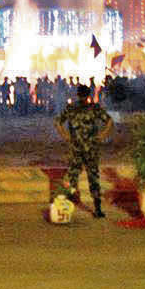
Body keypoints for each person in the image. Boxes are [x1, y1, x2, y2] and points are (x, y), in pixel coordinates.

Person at [58, 81, 112, 217]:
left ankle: (64, 208)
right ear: (89, 95)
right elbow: (109, 121)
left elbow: (57, 122)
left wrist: (66, 136)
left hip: (76, 148)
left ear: (77, 95)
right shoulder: (94, 108)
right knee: (93, 178)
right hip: (91, 149)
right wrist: (101, 136)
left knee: (72, 178)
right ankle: (97, 209)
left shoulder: (71, 108)